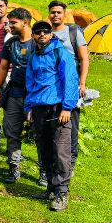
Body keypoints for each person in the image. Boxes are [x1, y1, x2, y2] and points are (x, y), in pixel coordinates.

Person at [25, 21, 79, 212]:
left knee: (61, 150)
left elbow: (71, 80)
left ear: (50, 35)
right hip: (39, 108)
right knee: (44, 149)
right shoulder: (33, 56)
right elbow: (30, 83)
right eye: (37, 32)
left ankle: (62, 192)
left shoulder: (60, 52)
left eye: (45, 32)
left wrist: (67, 108)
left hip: (58, 109)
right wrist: (29, 107)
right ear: (33, 35)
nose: (41, 35)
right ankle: (50, 187)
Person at [0, 8, 34, 185]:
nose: (10, 26)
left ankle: (45, 172)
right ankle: (14, 168)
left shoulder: (38, 43)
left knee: (40, 135)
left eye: (13, 22)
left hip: (35, 96)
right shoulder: (11, 44)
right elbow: (2, 68)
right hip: (14, 93)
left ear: (25, 22)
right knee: (11, 132)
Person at [47, 0, 89, 173]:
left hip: (70, 84)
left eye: (58, 12)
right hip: (50, 85)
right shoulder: (45, 33)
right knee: (52, 121)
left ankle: (70, 162)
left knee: (71, 122)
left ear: (64, 14)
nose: (55, 15)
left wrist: (82, 82)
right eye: (52, 12)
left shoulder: (73, 32)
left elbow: (84, 58)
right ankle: (53, 161)